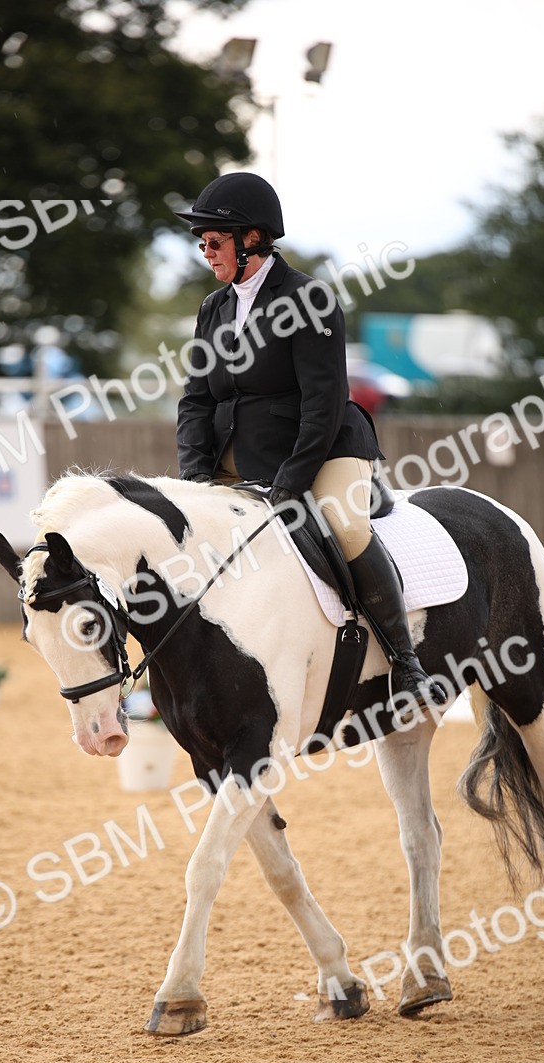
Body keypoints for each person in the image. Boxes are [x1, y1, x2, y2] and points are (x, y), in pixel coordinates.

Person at [175, 171, 446, 712]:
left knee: (343, 526)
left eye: (214, 241)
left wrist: (290, 484)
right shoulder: (213, 308)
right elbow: (197, 399)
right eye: (201, 242)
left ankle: (405, 660)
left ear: (253, 239)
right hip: (242, 449)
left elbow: (322, 402)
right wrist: (194, 476)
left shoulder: (309, 298)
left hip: (322, 446)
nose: (205, 251)